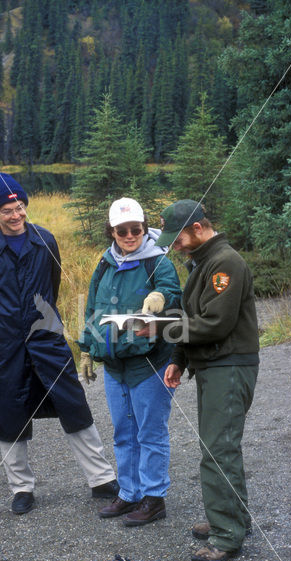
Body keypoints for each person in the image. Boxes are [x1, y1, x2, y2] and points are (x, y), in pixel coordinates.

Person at [0, 172, 118, 515]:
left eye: (18, 206)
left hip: (46, 339)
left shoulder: (45, 240)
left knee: (74, 405)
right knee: (8, 415)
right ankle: (21, 489)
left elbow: (53, 284)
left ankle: (102, 479)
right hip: (4, 348)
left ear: (25, 205)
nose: (15, 215)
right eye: (6, 210)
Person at [154, 199, 259, 561]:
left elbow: (215, 324)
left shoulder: (224, 263)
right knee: (220, 446)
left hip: (229, 367)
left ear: (198, 228)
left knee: (217, 450)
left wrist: (159, 328)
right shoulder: (203, 262)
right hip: (214, 366)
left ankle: (227, 537)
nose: (175, 245)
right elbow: (192, 317)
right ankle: (234, 519)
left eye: (178, 237)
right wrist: (178, 360)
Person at [78, 197, 182, 526]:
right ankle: (129, 492)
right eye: (121, 230)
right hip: (114, 363)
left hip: (149, 362)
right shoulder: (106, 263)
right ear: (112, 231)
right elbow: (93, 307)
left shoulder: (157, 260)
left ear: (143, 227)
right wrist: (86, 349)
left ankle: (154, 498)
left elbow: (173, 291)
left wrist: (160, 297)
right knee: (123, 431)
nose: (129, 235)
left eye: (135, 229)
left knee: (150, 432)